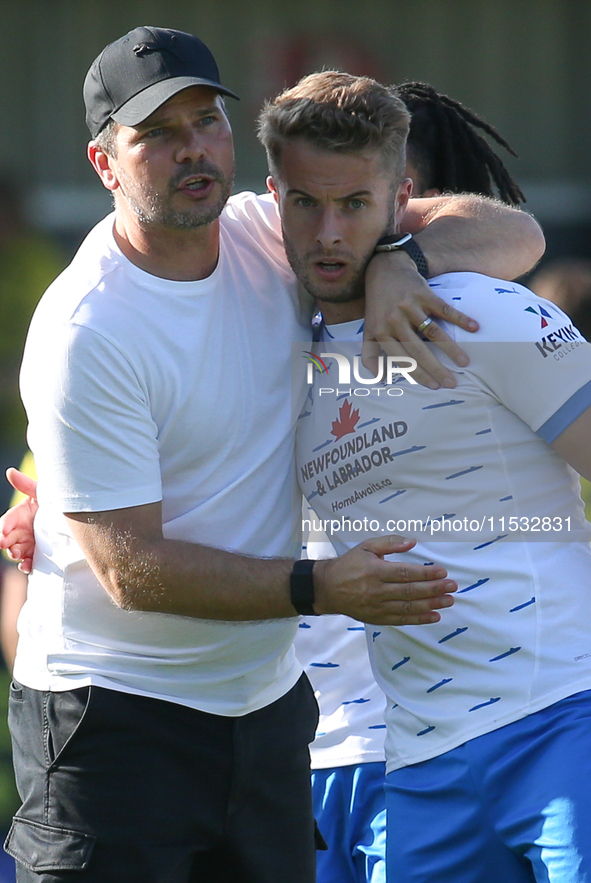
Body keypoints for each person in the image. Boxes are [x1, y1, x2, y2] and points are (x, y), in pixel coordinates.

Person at [0, 27, 545, 882]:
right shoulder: (86, 329)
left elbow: (514, 234)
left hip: (264, 713)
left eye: (205, 121)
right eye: (156, 134)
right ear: (105, 165)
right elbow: (129, 569)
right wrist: (319, 588)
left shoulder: (271, 232)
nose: (191, 149)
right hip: (112, 720)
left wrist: (403, 257)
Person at [257, 70, 591, 882]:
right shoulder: (267, 358)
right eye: (306, 203)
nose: (330, 232)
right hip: (417, 767)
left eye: (355, 205)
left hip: (562, 722)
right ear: (273, 199)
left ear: (400, 196)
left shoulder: (485, 313)